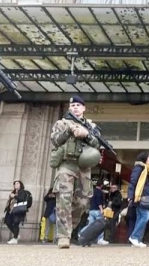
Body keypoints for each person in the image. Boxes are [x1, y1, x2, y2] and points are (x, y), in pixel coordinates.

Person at [49, 95, 102, 249]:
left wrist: (86, 134)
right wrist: (69, 131)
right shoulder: (61, 123)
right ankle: (63, 236)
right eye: (73, 106)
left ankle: (70, 231)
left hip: (84, 167)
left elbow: (98, 144)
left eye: (79, 105)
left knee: (82, 202)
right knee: (64, 199)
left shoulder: (90, 126)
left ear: (84, 108)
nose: (75, 108)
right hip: (67, 164)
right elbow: (55, 140)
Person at [127, 151, 149, 248]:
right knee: (145, 216)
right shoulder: (139, 168)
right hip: (140, 197)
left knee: (140, 217)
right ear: (145, 159)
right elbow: (133, 182)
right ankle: (134, 237)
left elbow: (146, 186)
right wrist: (130, 196)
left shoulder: (147, 170)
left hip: (143, 196)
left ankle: (136, 239)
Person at [79, 180, 109, 245]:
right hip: (97, 210)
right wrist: (101, 209)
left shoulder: (92, 191)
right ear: (101, 185)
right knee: (101, 224)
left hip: (91, 210)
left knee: (90, 225)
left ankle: (81, 233)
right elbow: (99, 200)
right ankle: (100, 239)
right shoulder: (99, 192)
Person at [4, 180, 28, 244]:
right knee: (7, 222)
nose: (16, 185)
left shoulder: (22, 191)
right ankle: (16, 235)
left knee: (16, 223)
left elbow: (22, 199)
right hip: (11, 210)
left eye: (17, 183)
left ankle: (15, 238)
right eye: (15, 184)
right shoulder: (14, 191)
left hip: (18, 210)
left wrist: (14, 196)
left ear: (20, 185)